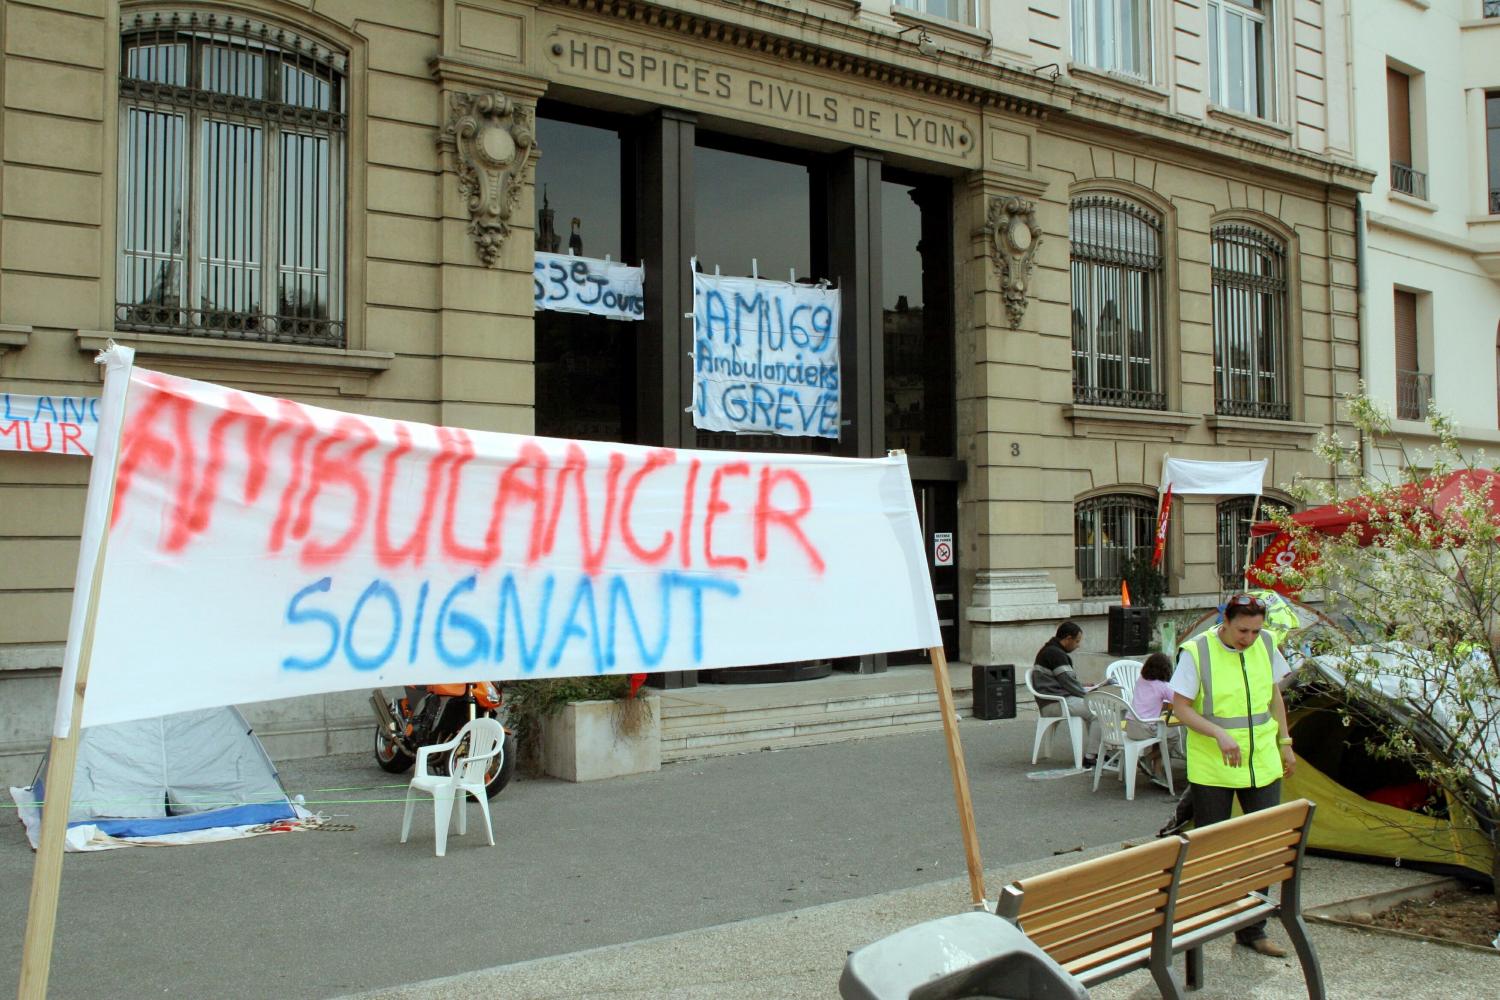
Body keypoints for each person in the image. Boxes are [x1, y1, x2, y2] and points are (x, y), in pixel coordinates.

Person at [1170, 592, 1297, 958]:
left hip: (1263, 762)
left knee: (1261, 848)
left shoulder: (1267, 643)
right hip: (1214, 767)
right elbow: (1181, 708)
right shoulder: (1196, 652)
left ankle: (1252, 930)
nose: (1250, 638)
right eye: (1243, 630)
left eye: (1256, 631)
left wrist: (1285, 741)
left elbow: (1275, 696)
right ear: (1224, 620)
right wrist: (1218, 733)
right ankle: (1199, 923)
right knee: (1211, 851)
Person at [1032, 621, 1101, 767]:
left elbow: (1065, 681)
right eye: (1077, 641)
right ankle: (1091, 757)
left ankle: (1098, 752)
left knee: (1094, 710)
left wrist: (1082, 687)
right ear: (1068, 639)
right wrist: (1087, 692)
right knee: (1098, 712)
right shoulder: (1055, 654)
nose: (1078, 645)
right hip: (1055, 703)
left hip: (1053, 700)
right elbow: (1069, 682)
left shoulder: (1050, 650)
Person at [1127, 652, 1174, 786]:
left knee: (1160, 730)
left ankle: (1157, 771)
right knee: (1173, 735)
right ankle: (1147, 759)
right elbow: (1178, 701)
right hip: (1144, 728)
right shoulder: (1163, 686)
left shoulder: (1141, 680)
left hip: (1130, 726)